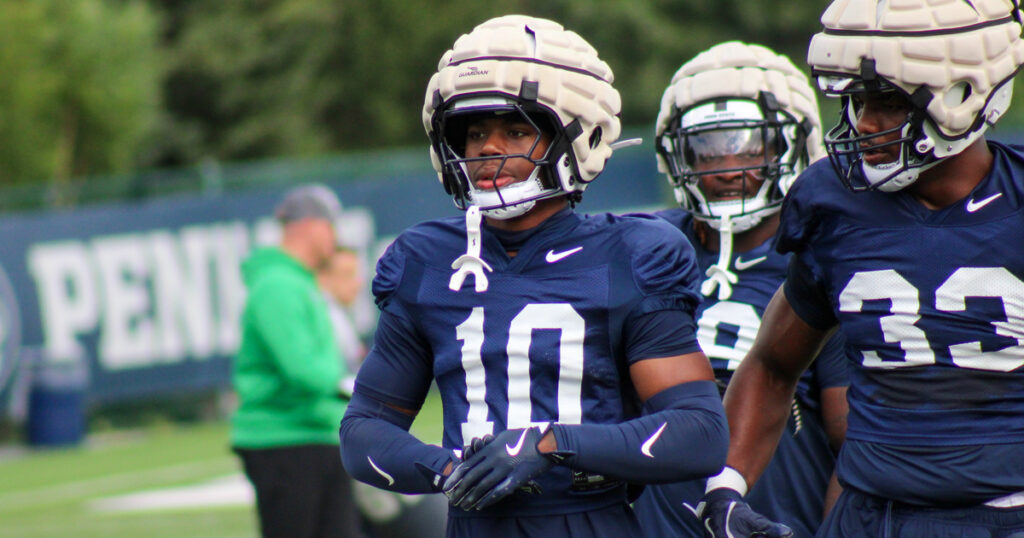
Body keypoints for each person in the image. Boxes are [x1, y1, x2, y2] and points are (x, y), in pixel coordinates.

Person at [339, 14, 729, 538]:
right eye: (475, 131)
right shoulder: (426, 261)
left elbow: (699, 432)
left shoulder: (632, 254)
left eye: (516, 129)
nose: (488, 148)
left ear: (576, 136)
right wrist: (451, 470)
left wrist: (551, 444)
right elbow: (363, 429)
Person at [700, 1, 1024, 536]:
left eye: (888, 101)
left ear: (967, 94)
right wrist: (725, 490)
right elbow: (774, 363)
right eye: (854, 98)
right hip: (870, 516)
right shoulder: (833, 201)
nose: (864, 122)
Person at [630, 41, 849, 538]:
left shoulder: (823, 259)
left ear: (794, 145)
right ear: (676, 154)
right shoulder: (638, 249)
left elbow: (854, 447)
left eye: (750, 146)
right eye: (706, 149)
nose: (728, 168)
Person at [231, 183, 360, 538]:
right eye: (331, 227)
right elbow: (303, 369)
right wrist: (350, 386)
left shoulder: (296, 282)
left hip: (315, 434)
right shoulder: (278, 286)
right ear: (310, 226)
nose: (335, 238)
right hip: (286, 440)